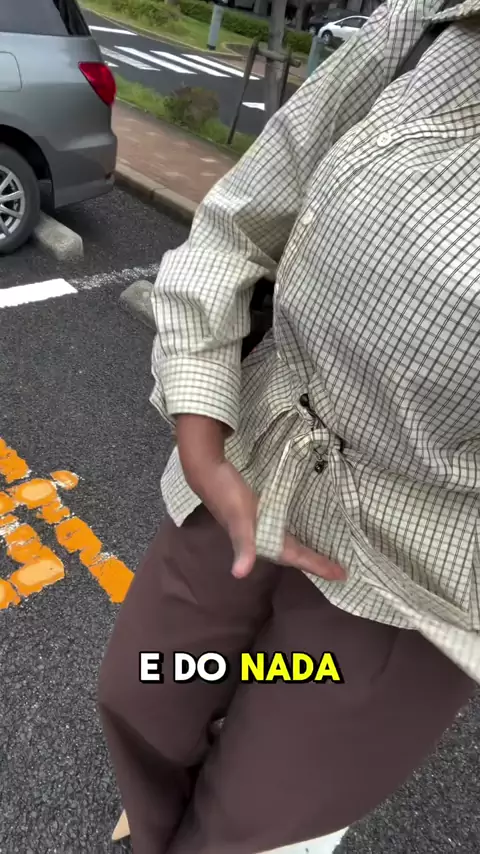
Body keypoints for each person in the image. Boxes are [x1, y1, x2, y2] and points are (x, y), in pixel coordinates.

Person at [98, 0, 480, 851]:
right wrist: (201, 433)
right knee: (144, 693)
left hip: (413, 571)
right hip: (257, 459)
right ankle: (164, 805)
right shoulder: (430, 25)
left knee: (257, 816)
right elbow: (241, 215)